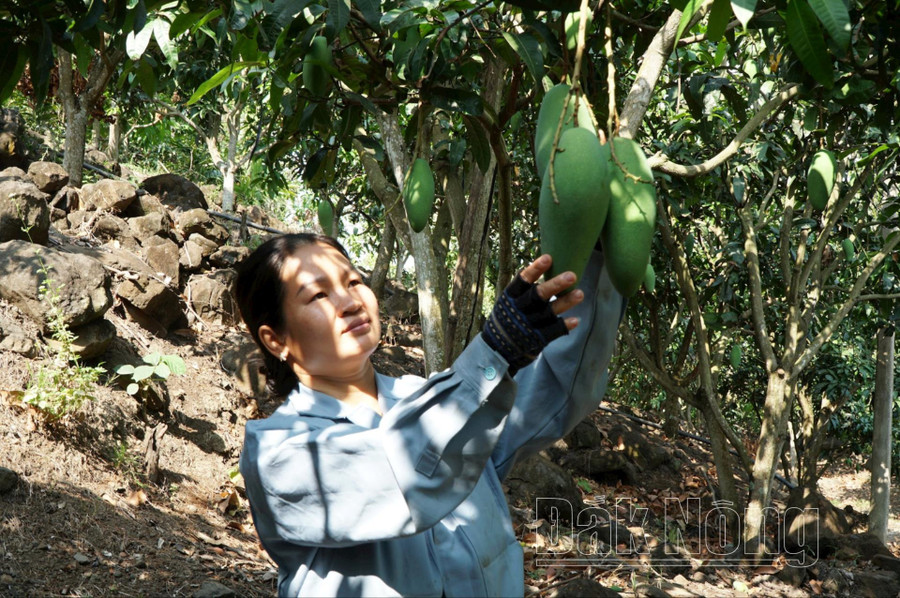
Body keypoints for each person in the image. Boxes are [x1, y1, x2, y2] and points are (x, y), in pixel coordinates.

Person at [235, 232, 624, 597]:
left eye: (353, 282)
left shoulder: (425, 397)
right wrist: (493, 354)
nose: (350, 301)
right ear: (276, 339)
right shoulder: (277, 452)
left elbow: (557, 390)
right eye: (318, 295)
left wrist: (595, 256)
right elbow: (401, 473)